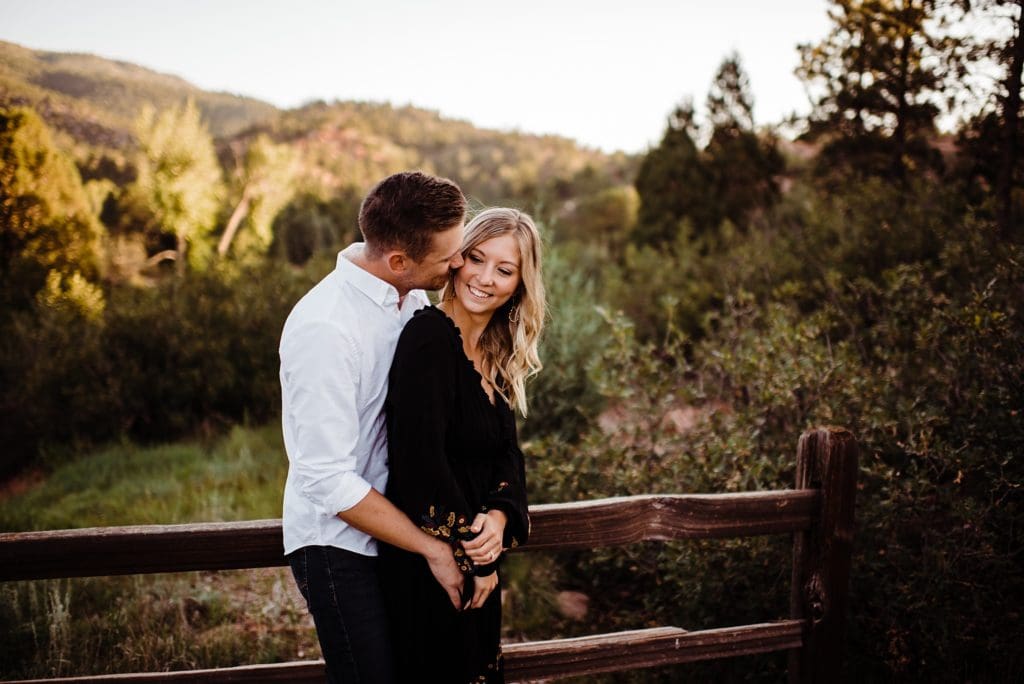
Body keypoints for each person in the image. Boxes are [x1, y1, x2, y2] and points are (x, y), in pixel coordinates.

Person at [280, 171, 472, 683]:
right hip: (339, 546)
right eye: (447, 256)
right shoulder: (327, 327)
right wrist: (431, 547)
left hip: (396, 535)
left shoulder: (410, 297)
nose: (458, 263)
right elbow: (325, 479)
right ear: (398, 261)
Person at [379, 207, 546, 682]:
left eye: (505, 269)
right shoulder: (428, 337)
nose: (485, 278)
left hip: (475, 562)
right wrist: (478, 555)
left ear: (520, 284)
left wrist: (499, 515)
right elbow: (417, 462)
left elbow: (508, 457)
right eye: (476, 259)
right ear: (457, 260)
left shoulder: (496, 353)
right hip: (431, 565)